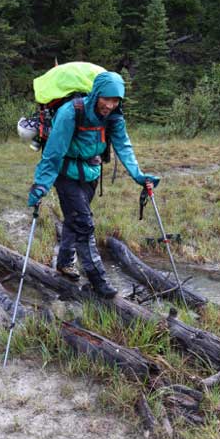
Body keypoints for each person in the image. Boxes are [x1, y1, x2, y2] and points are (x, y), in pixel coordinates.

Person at [28, 71, 159, 298]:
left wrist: (139, 175)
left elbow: (124, 147)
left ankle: (65, 263)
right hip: (66, 175)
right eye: (106, 98)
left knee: (75, 219)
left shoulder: (115, 117)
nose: (110, 105)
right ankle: (99, 280)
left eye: (115, 100)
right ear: (96, 93)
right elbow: (53, 152)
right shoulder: (71, 112)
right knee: (84, 224)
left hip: (91, 174)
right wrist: (41, 185)